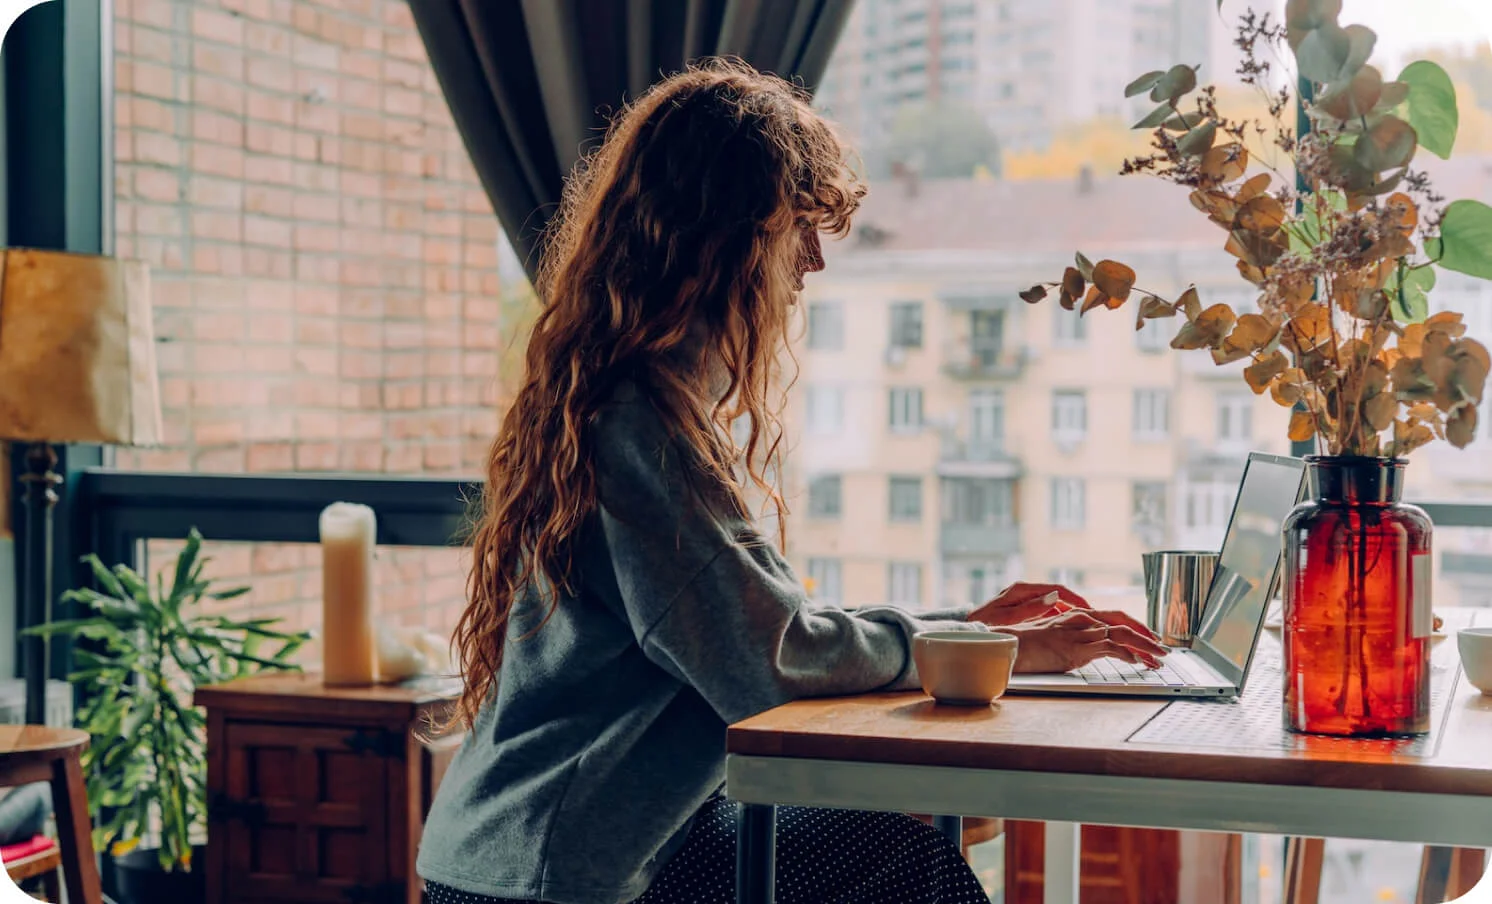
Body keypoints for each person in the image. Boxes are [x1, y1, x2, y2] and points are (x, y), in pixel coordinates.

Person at [417, 58, 1166, 904]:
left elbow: (764, 627)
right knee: (901, 865)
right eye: (795, 228)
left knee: (890, 850)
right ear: (720, 238)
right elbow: (770, 662)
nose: (811, 263)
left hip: (575, 846)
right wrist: (984, 649)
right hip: (548, 872)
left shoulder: (634, 408)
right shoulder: (636, 431)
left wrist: (962, 628)